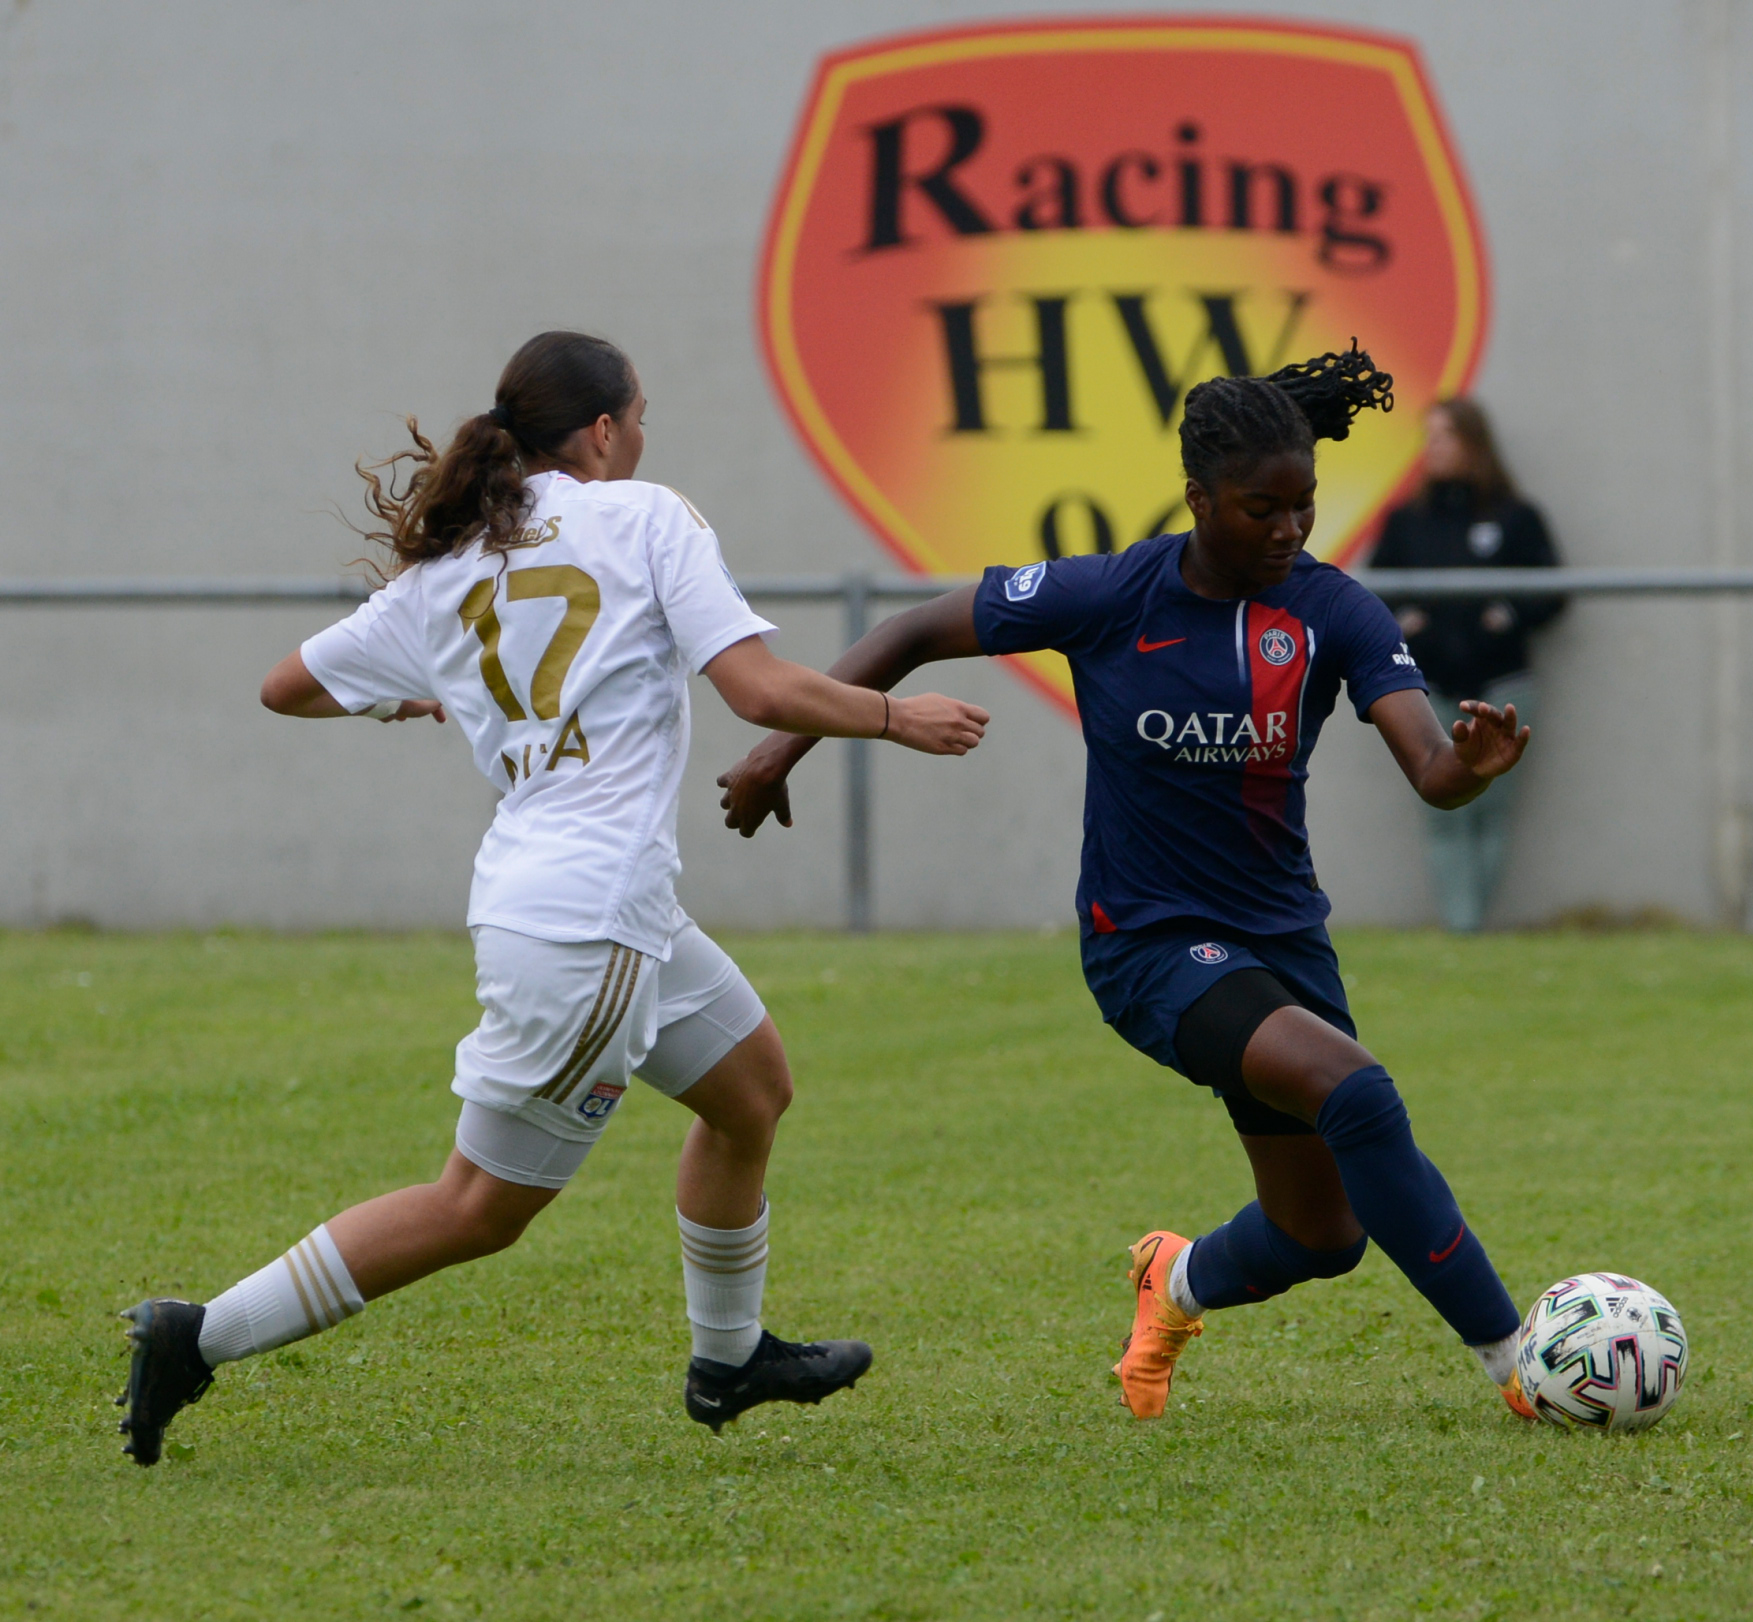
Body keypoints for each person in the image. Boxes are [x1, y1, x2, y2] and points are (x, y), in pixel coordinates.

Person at [114, 331, 990, 1466]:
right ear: (604, 431)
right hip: (591, 924)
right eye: (641, 416)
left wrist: (408, 696)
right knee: (476, 1206)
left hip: (578, 904)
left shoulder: (446, 570)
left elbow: (287, 686)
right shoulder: (646, 517)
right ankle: (198, 1335)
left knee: (751, 1091)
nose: (644, 438)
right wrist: (895, 715)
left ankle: (730, 1361)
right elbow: (757, 688)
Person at [715, 347, 1541, 1422]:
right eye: (1262, 509)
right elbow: (912, 630)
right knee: (1357, 1091)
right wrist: (776, 751)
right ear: (1198, 498)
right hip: (1148, 942)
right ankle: (1519, 1362)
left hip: (1282, 940)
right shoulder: (1108, 593)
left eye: (1304, 506)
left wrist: (1471, 769)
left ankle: (1175, 1279)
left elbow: (1431, 769)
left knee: (1322, 1235)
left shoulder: (1334, 610)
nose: (1290, 530)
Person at [1368, 399, 1563, 932]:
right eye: (1427, 436)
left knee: (1491, 809)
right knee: (1443, 807)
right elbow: (1372, 591)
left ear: (1473, 443)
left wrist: (1509, 614)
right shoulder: (1406, 521)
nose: (1431, 447)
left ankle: (1473, 929)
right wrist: (1403, 619)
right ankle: (1462, 930)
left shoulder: (1516, 517)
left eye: (1444, 436)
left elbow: (1553, 592)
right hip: (1428, 688)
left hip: (1502, 686)